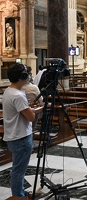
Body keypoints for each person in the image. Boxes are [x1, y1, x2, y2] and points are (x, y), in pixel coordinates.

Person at [3, 63, 37, 198]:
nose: (28, 77)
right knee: (19, 171)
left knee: (17, 168)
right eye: (26, 74)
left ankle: (20, 193)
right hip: (21, 137)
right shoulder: (18, 95)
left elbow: (21, 111)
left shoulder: (8, 91)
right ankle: (18, 196)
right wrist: (33, 111)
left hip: (13, 135)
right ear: (22, 77)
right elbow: (30, 117)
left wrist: (28, 108)